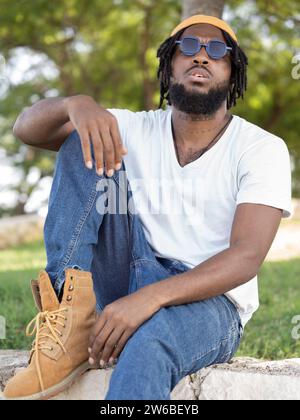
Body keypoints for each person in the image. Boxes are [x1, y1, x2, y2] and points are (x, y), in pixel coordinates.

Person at [3, 14, 292, 400]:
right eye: (188, 47)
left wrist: (150, 299)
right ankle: (68, 320)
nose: (201, 56)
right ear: (168, 65)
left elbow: (246, 257)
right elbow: (25, 129)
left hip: (211, 306)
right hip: (126, 272)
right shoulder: (133, 128)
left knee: (149, 344)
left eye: (216, 50)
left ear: (232, 69)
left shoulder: (261, 148)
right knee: (85, 136)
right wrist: (77, 105)